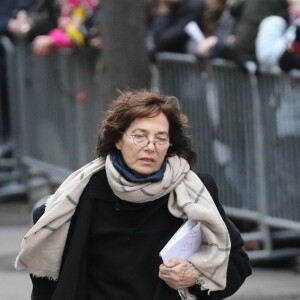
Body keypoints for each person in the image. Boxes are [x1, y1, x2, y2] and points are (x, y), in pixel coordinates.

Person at [15, 90, 251, 300]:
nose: (150, 146)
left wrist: (195, 275)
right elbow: (47, 274)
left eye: (160, 138)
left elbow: (237, 262)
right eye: (139, 136)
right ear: (118, 139)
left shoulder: (193, 191)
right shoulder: (84, 192)